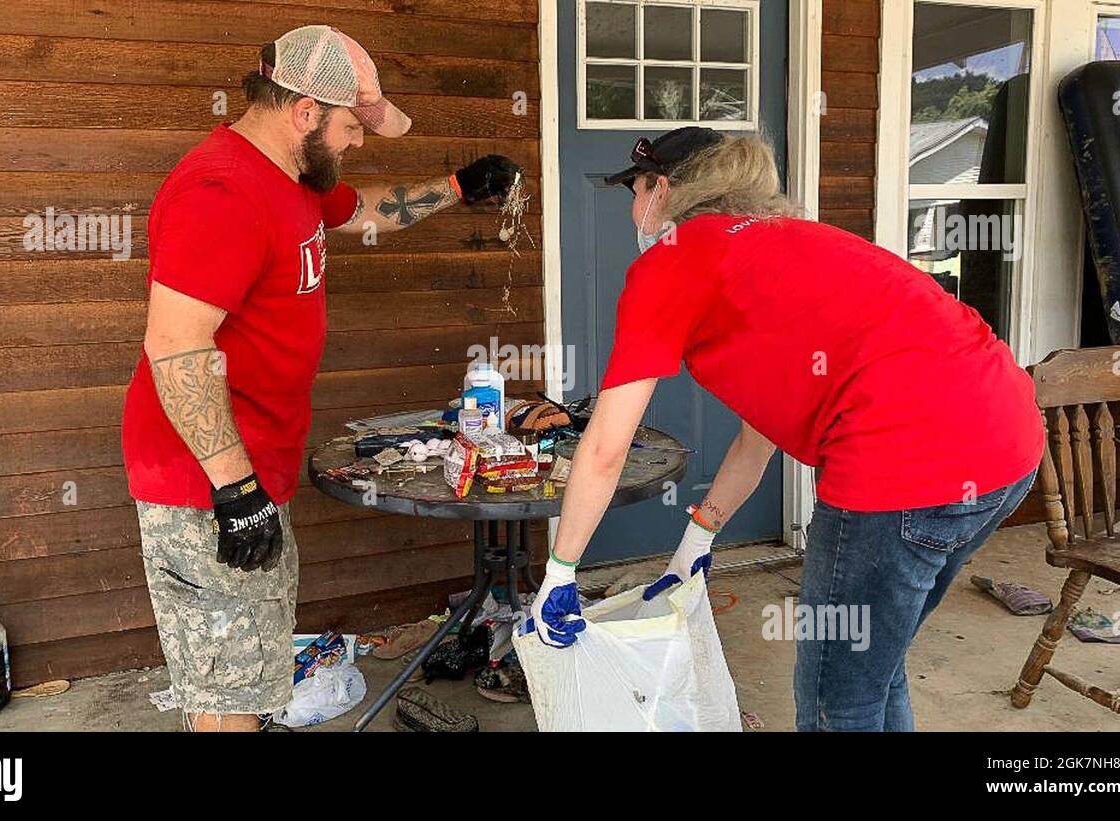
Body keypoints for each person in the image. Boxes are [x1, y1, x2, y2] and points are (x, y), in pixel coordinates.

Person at [529, 126, 1043, 732]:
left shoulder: (671, 262)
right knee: (874, 665)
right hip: (1009, 445)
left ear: (660, 190)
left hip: (904, 469)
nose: (634, 208)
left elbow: (606, 448)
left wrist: (559, 573)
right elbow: (760, 431)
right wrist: (699, 539)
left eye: (633, 190)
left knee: (836, 699)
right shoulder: (795, 240)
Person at [121, 25, 519, 732]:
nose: (359, 141)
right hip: (200, 483)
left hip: (248, 468)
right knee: (227, 691)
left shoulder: (295, 176)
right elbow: (175, 344)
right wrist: (233, 486)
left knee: (247, 672)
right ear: (305, 112)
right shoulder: (221, 190)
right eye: (350, 126)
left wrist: (458, 187)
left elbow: (367, 211)